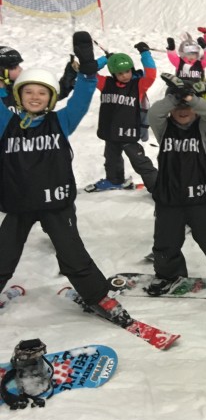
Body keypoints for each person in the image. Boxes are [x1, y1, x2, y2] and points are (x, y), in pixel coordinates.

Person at [0, 32, 135, 326]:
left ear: (51, 98)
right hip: (19, 204)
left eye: (42, 93)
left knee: (73, 256)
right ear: (18, 95)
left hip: (56, 204)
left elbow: (84, 95)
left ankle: (99, 297)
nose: (35, 97)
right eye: (29, 92)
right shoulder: (5, 122)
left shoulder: (61, 121)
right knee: (3, 257)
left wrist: (88, 69)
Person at [146, 74, 206, 297]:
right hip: (169, 198)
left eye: (188, 106)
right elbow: (154, 112)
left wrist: (191, 97)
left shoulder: (204, 128)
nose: (183, 110)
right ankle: (168, 274)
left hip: (200, 198)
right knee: (165, 241)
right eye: (177, 106)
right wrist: (175, 97)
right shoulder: (163, 128)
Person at [88, 45, 158, 192]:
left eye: (127, 71)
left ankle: (158, 187)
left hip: (129, 133)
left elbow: (151, 74)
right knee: (111, 158)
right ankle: (115, 180)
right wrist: (105, 59)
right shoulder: (106, 83)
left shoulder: (138, 85)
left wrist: (145, 53)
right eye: (120, 73)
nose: (125, 75)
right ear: (114, 74)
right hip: (110, 131)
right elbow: (89, 73)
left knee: (140, 162)